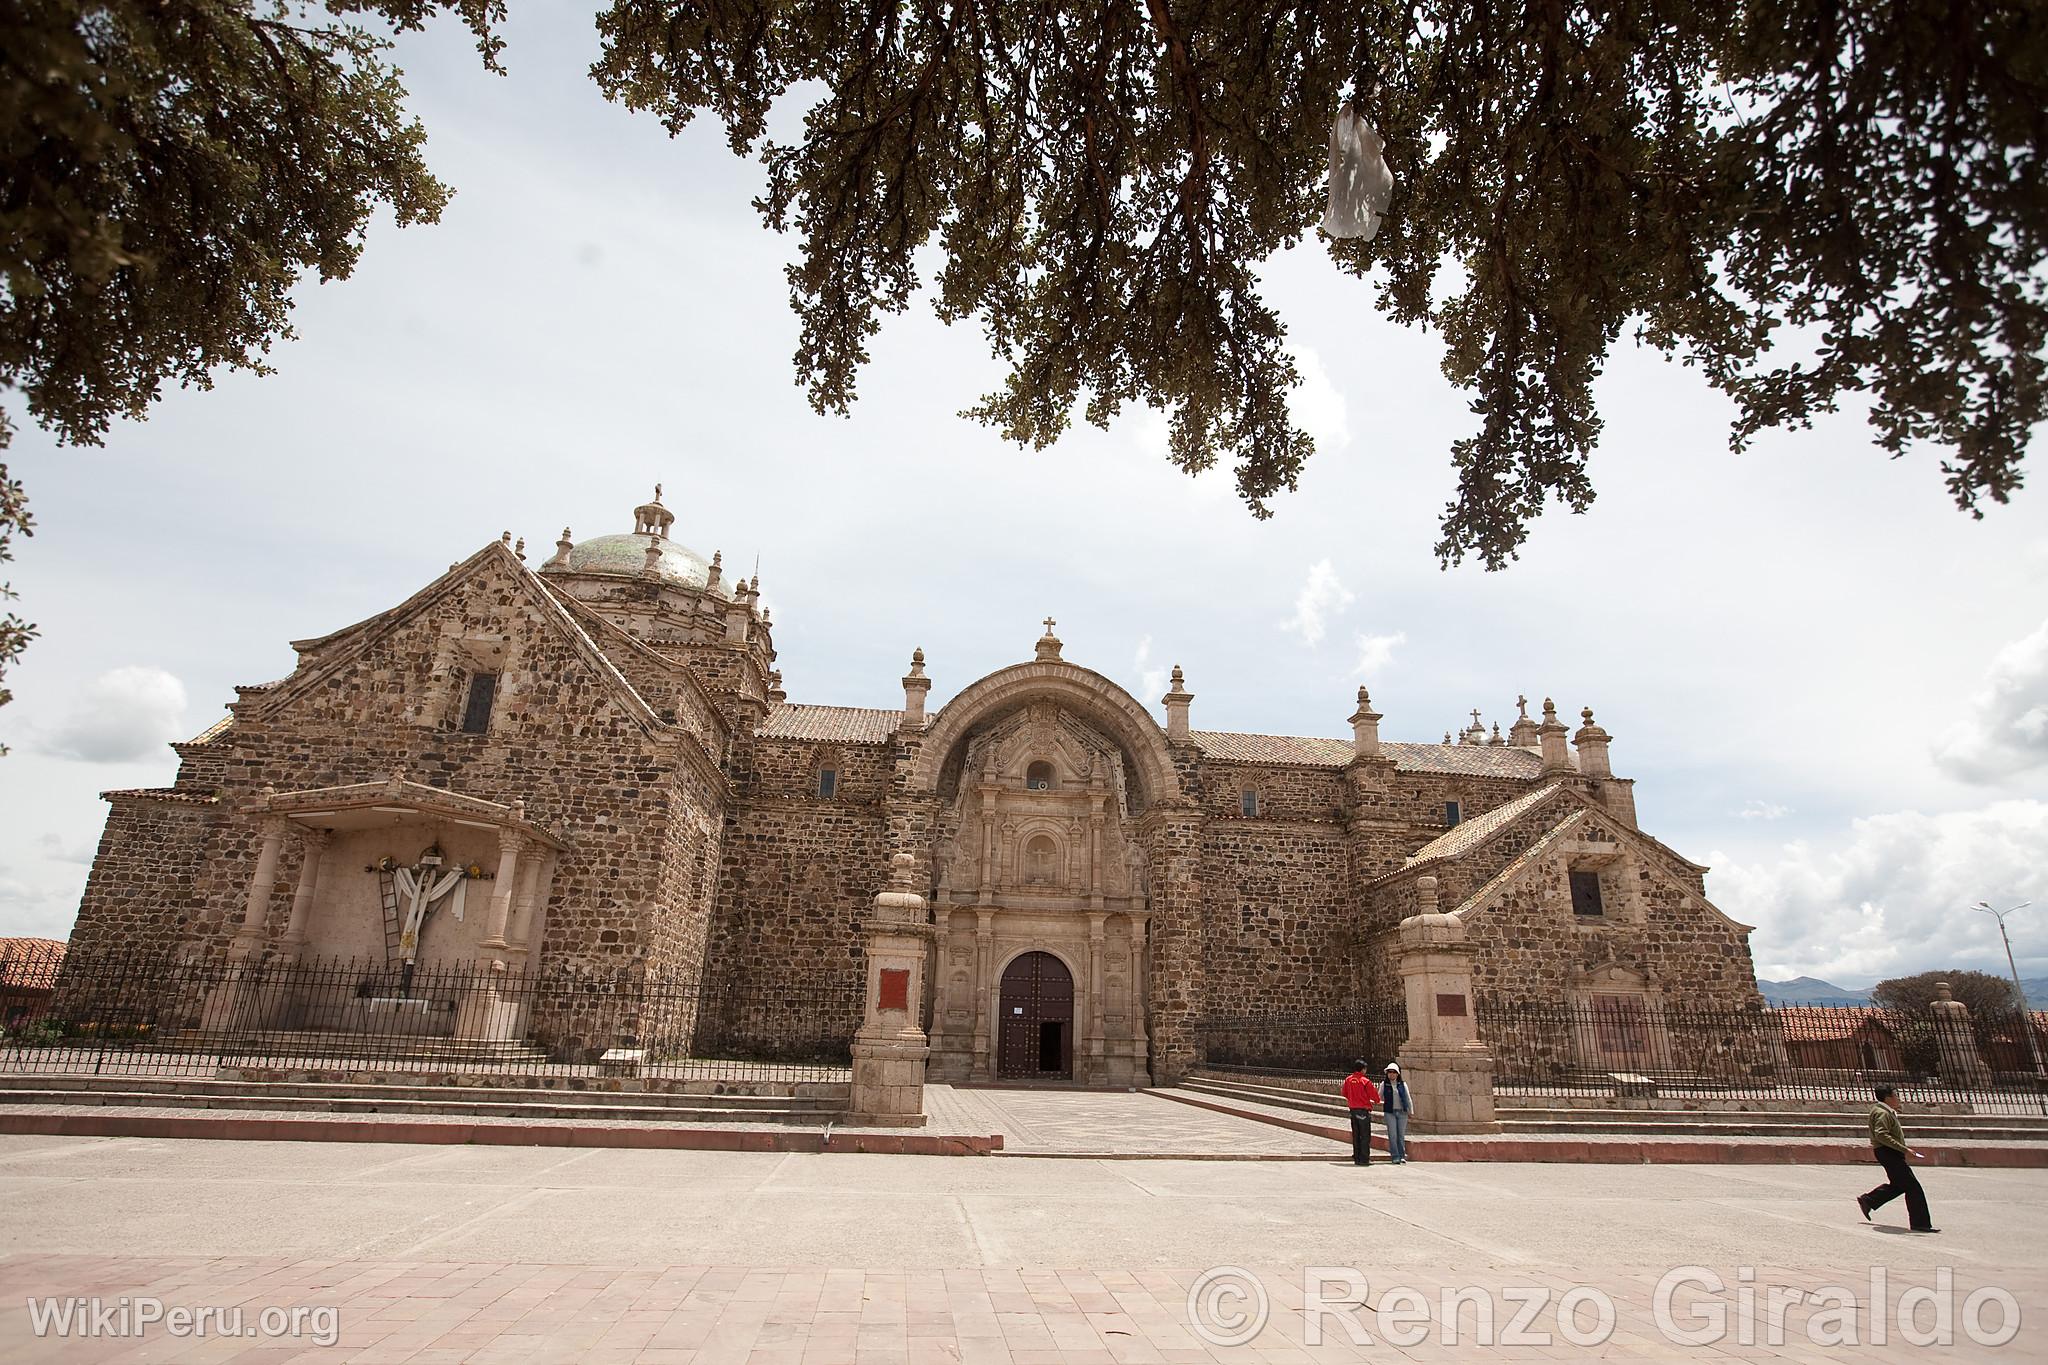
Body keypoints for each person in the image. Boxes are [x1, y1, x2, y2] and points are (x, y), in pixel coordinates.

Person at [1858, 1084, 1936, 1233]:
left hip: (1887, 1152)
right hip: (1889, 1152)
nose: (1898, 1099)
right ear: (1888, 1098)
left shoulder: (1883, 1111)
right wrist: (1904, 1149)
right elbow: (1881, 1134)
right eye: (1896, 1095)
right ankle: (1921, 1223)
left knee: (1900, 1185)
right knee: (1913, 1187)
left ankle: (1868, 1200)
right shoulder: (1883, 1113)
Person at [1341, 1059, 1380, 1166]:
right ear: (1363, 1069)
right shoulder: (1365, 1081)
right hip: (1363, 1110)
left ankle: (1357, 1156)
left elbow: (1344, 1093)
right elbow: (1374, 1096)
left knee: (1356, 1134)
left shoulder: (1348, 1080)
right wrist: (1375, 1100)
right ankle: (1364, 1158)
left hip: (1353, 1110)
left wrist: (1353, 1099)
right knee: (1365, 1135)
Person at [1382, 1063, 1414, 1164]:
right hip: (1390, 1112)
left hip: (1402, 1112)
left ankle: (1402, 1155)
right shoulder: (1384, 1084)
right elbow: (1379, 1096)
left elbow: (1408, 1098)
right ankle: (1395, 1156)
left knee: (1401, 1135)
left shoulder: (1403, 1084)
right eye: (1389, 1072)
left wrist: (1411, 1111)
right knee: (1392, 1135)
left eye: (1393, 1072)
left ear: (1397, 1074)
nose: (1391, 1074)